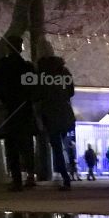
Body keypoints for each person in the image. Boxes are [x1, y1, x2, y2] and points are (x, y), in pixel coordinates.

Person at [0, 35, 37, 191]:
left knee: (12, 145)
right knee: (26, 143)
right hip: (24, 109)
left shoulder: (0, 67)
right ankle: (30, 175)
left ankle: (17, 179)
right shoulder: (27, 67)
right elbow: (33, 89)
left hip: (8, 109)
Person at [36, 54, 75, 191]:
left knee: (56, 147)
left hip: (50, 114)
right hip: (64, 113)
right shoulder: (64, 73)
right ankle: (68, 172)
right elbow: (71, 92)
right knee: (64, 144)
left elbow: (38, 95)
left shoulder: (43, 76)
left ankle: (65, 177)